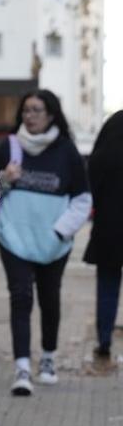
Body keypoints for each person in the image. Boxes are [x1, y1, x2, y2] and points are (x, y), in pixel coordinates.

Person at [0, 89, 92, 396]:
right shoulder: (8, 147)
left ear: (51, 115)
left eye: (36, 110)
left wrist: (60, 232)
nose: (30, 116)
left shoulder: (66, 151)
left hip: (52, 242)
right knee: (21, 298)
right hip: (14, 239)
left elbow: (82, 199)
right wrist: (4, 178)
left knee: (49, 299)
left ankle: (48, 358)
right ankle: (22, 367)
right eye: (26, 110)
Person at [83, 110, 123, 362]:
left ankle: (104, 340)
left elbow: (90, 190)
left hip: (109, 229)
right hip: (109, 228)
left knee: (107, 287)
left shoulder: (103, 152)